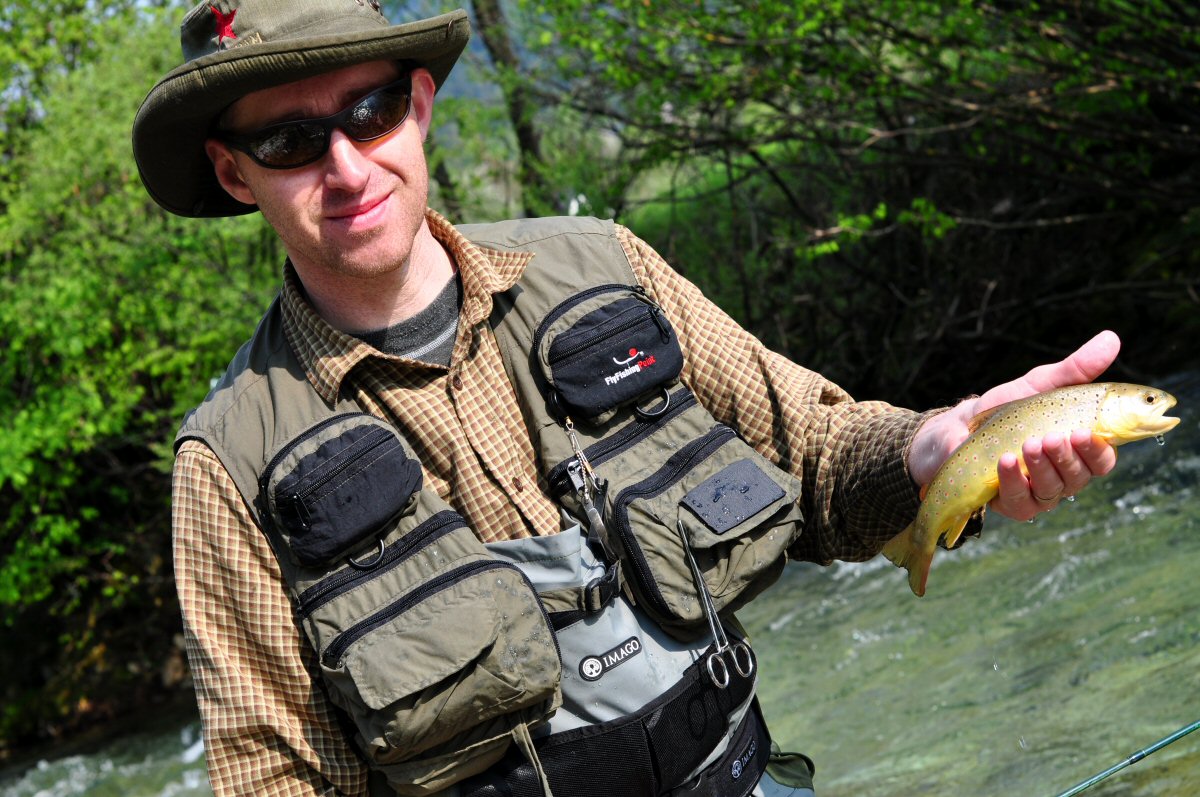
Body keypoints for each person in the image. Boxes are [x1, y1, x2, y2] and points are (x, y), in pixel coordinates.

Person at [132, 2, 1119, 795]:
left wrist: (938, 453)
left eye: (368, 112)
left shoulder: (603, 266)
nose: (347, 165)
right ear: (233, 171)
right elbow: (278, 774)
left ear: (420, 103)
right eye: (293, 142)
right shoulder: (229, 463)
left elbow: (816, 452)